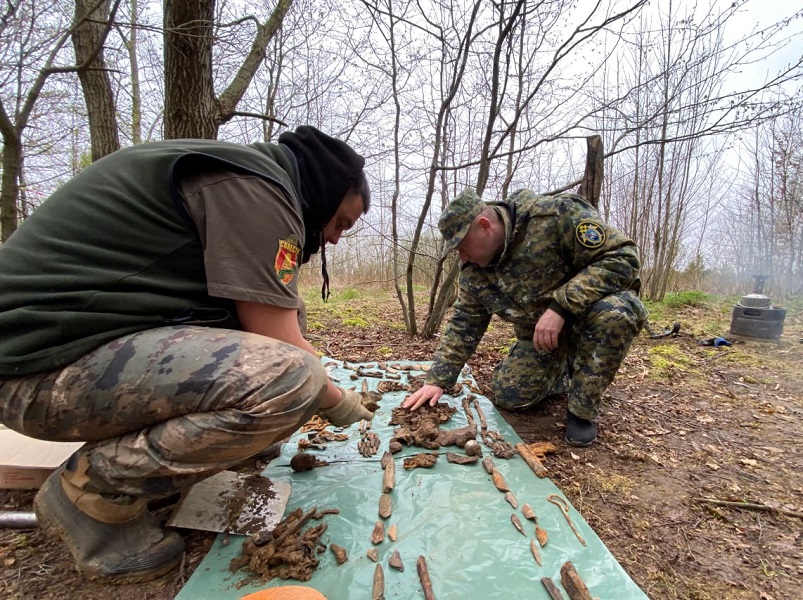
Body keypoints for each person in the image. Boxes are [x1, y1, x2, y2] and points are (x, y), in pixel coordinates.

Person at [0, 126, 376, 583]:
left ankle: (152, 473)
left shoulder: (250, 180)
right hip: (32, 371)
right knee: (293, 380)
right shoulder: (258, 190)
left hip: (65, 352)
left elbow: (277, 321)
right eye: (341, 223)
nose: (335, 238)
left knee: (292, 357)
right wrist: (340, 402)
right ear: (326, 191)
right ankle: (91, 493)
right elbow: (280, 345)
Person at [402, 187, 647, 447]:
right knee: (510, 395)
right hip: (543, 339)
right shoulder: (475, 271)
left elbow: (623, 258)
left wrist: (560, 307)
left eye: (463, 246)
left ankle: (581, 412)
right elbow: (465, 323)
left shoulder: (554, 216)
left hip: (590, 319)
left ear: (484, 226)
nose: (462, 256)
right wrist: (437, 379)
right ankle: (563, 370)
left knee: (615, 313)